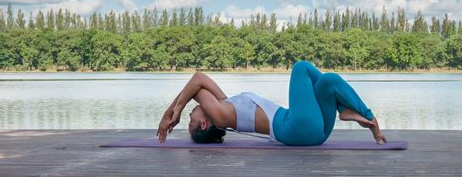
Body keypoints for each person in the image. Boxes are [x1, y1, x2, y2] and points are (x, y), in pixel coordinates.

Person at [157, 60, 387, 146]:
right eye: (191, 121)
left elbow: (201, 80)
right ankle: (346, 108)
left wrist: (173, 111)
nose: (190, 115)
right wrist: (175, 111)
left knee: (329, 81)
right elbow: (197, 81)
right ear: (204, 124)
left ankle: (364, 117)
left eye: (187, 117)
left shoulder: (225, 105)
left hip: (315, 132)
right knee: (300, 68)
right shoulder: (219, 115)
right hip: (295, 128)